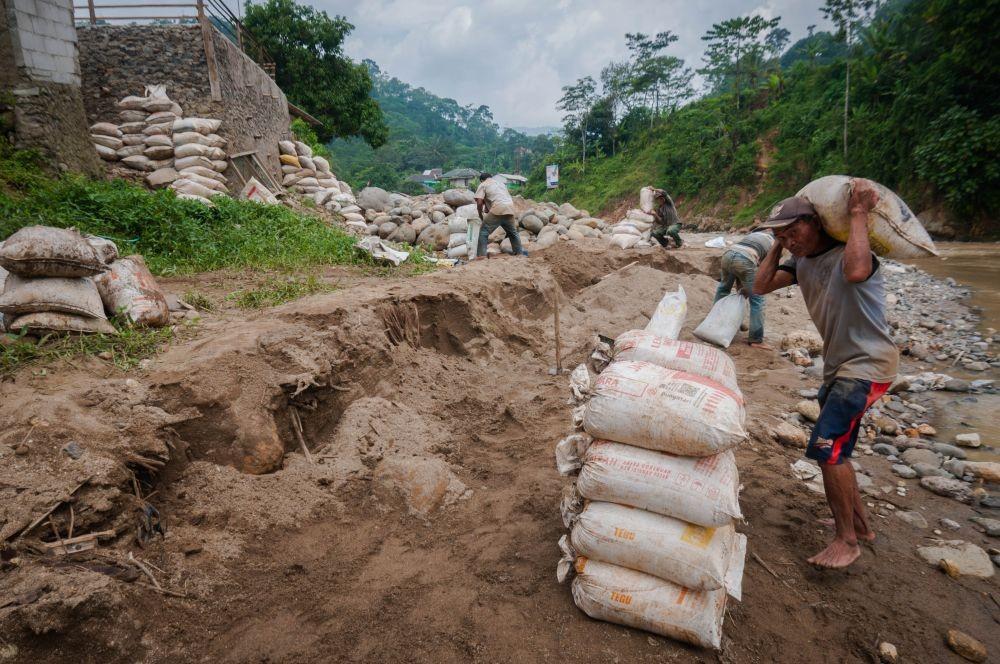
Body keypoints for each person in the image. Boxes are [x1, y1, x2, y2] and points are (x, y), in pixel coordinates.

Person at [753, 180, 898, 570]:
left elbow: (856, 271)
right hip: (840, 367)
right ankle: (861, 527)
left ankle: (846, 540)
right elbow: (760, 284)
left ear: (815, 222)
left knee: (827, 448)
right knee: (840, 449)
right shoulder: (801, 262)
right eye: (783, 234)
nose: (791, 239)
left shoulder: (850, 254)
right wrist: (779, 244)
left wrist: (857, 214)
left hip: (868, 365)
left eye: (794, 230)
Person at [714, 230, 775, 349]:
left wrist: (743, 287)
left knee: (723, 289)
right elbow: (765, 268)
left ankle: (716, 323)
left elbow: (740, 270)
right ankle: (756, 340)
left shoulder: (756, 235)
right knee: (758, 299)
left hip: (728, 254)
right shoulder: (776, 244)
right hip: (745, 259)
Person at [475, 172, 526, 258]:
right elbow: (495, 197)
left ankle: (481, 256)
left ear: (481, 180)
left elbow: (479, 202)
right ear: (490, 177)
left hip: (498, 207)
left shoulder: (483, 184)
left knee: (484, 231)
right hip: (510, 207)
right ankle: (519, 253)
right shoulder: (500, 184)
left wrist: (480, 215)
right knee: (513, 233)